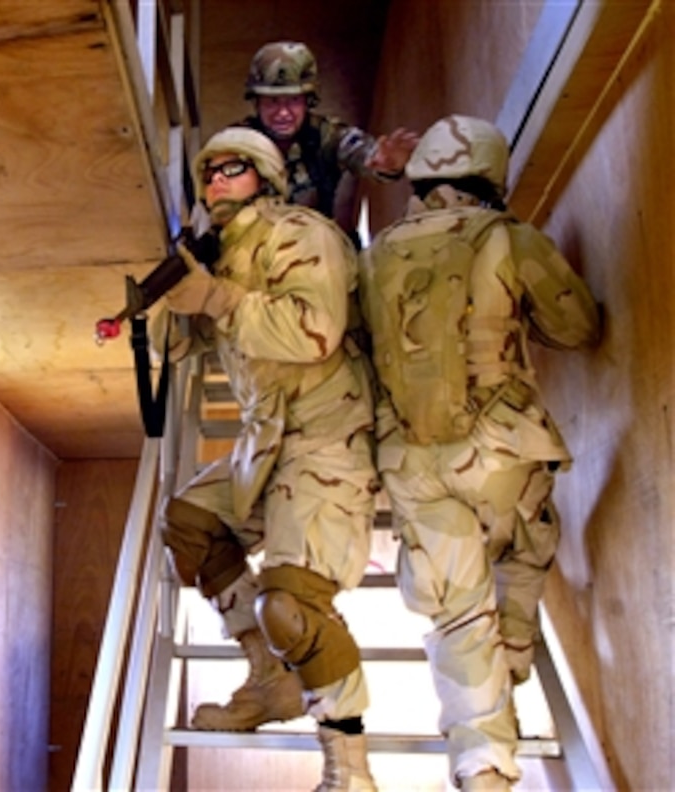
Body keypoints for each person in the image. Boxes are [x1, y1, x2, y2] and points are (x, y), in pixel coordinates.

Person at [358, 115, 602, 791]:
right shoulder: (506, 236)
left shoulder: (374, 254)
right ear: (490, 176)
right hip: (497, 451)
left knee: (456, 613)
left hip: (409, 462)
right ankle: (513, 663)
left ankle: (483, 765)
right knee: (528, 544)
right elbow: (578, 325)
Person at [153, 126, 380, 791]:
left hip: (325, 433)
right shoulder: (220, 256)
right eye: (209, 172)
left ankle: (349, 771)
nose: (216, 179)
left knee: (293, 605)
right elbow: (183, 349)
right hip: (265, 439)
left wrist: (219, 299)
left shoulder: (300, 233)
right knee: (190, 521)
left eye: (233, 168)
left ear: (267, 176)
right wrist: (173, 304)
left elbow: (314, 332)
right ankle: (270, 679)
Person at [237, 41, 419, 235]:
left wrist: (385, 163)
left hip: (314, 249)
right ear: (256, 102)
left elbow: (360, 151)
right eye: (272, 101)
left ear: (308, 101)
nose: (283, 113)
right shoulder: (236, 142)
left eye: (293, 100)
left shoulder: (326, 134)